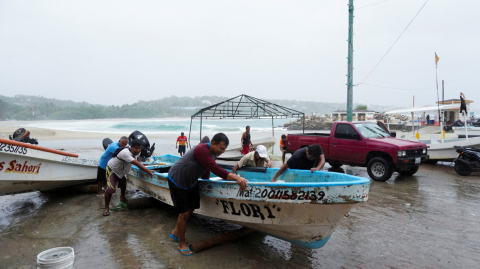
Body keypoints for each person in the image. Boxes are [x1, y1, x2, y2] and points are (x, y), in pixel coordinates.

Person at [168, 133, 248, 256]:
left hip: (191, 181)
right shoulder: (201, 150)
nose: (222, 151)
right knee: (183, 213)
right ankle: (181, 243)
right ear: (213, 143)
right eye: (221, 148)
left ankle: (176, 232)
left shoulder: (212, 154)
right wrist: (237, 178)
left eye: (224, 149)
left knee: (192, 206)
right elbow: (216, 169)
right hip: (177, 179)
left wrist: (207, 183)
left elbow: (207, 170)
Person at [103, 139, 153, 217]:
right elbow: (136, 163)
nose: (138, 150)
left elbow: (138, 161)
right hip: (112, 169)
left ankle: (122, 196)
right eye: (136, 148)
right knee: (110, 189)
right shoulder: (125, 153)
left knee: (123, 184)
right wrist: (148, 171)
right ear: (131, 147)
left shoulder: (137, 152)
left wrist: (144, 166)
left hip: (122, 171)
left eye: (139, 148)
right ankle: (106, 208)